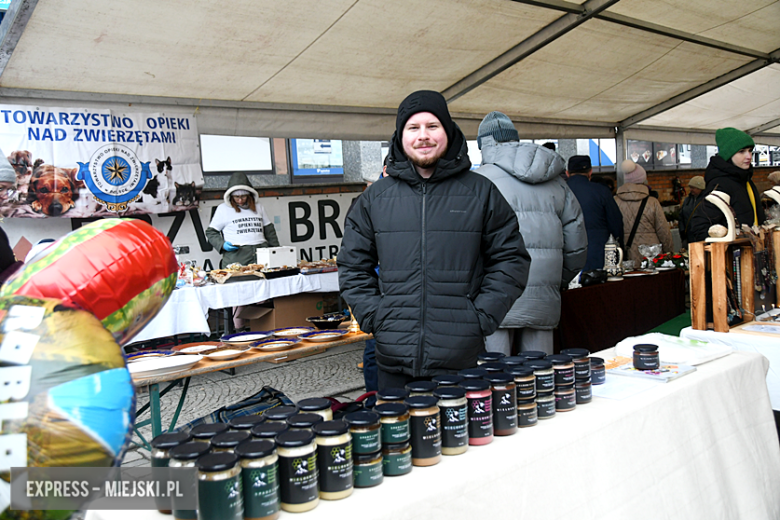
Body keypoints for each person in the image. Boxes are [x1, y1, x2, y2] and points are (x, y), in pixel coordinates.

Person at [338, 90, 530, 388]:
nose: (423, 136)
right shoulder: (376, 198)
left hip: (462, 360)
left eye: (432, 126)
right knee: (398, 435)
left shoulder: (481, 192)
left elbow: (510, 259)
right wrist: (376, 317)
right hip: (393, 359)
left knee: (462, 435)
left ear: (448, 132)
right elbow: (352, 266)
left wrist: (480, 317)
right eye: (413, 128)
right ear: (400, 137)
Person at [476, 112, 587, 355]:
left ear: (484, 144)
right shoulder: (557, 183)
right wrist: (556, 281)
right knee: (538, 380)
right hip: (543, 297)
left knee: (496, 380)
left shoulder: (478, 182)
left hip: (493, 298)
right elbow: (577, 246)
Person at [687, 128, 764, 243]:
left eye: (750, 150)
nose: (749, 156)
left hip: (754, 251)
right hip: (734, 255)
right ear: (729, 154)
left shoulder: (746, 180)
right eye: (742, 151)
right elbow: (700, 227)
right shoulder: (720, 184)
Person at [206, 171, 279, 268]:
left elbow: (269, 230)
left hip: (261, 253)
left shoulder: (259, 207)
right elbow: (211, 232)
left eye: (243, 196)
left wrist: (277, 251)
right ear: (231, 196)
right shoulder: (223, 209)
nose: (240, 200)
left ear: (249, 195)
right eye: (236, 197)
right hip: (236, 255)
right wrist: (222, 245)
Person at [566, 155, 623, 271]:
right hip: (597, 253)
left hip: (566, 254)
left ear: (567, 173)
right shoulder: (601, 191)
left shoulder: (558, 191)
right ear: (590, 172)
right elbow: (616, 223)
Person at [614, 160, 673, 262]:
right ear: (642, 179)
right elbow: (663, 231)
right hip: (651, 253)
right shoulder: (652, 202)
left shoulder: (614, 201)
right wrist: (669, 252)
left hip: (624, 253)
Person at [678, 175, 706, 245]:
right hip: (688, 237)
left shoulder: (706, 200)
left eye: (693, 188)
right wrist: (682, 231)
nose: (690, 190)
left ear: (701, 188)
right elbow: (681, 216)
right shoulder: (687, 200)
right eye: (690, 187)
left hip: (702, 238)